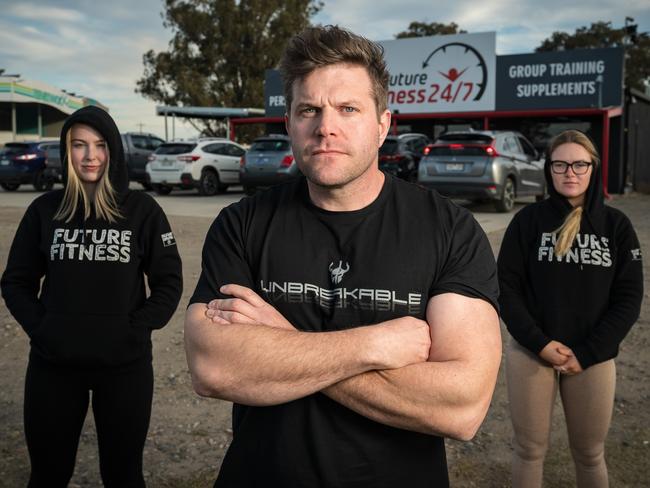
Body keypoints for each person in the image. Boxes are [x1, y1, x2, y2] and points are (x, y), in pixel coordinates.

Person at [184, 25, 501, 487]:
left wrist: (280, 342)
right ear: (290, 123)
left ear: (383, 124)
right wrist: (371, 346)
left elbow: (462, 407)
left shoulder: (449, 230)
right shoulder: (243, 224)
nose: (325, 126)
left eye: (347, 109)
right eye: (309, 109)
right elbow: (213, 367)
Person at [1, 106, 183, 487]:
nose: (90, 156)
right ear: (66, 151)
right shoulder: (44, 211)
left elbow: (169, 281)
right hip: (53, 367)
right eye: (79, 145)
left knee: (123, 475)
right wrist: (44, 329)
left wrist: (136, 329)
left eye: (99, 145)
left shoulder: (141, 210)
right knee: (49, 475)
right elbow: (16, 282)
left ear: (113, 149)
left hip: (124, 368)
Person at [498, 129, 643, 487]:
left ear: (593, 168)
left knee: (590, 453)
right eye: (560, 164)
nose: (570, 172)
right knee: (528, 450)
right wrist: (540, 343)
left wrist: (589, 351)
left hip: (591, 357)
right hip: (533, 353)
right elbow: (506, 289)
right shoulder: (528, 222)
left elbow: (628, 298)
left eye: (579, 164)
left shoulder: (616, 227)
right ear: (549, 170)